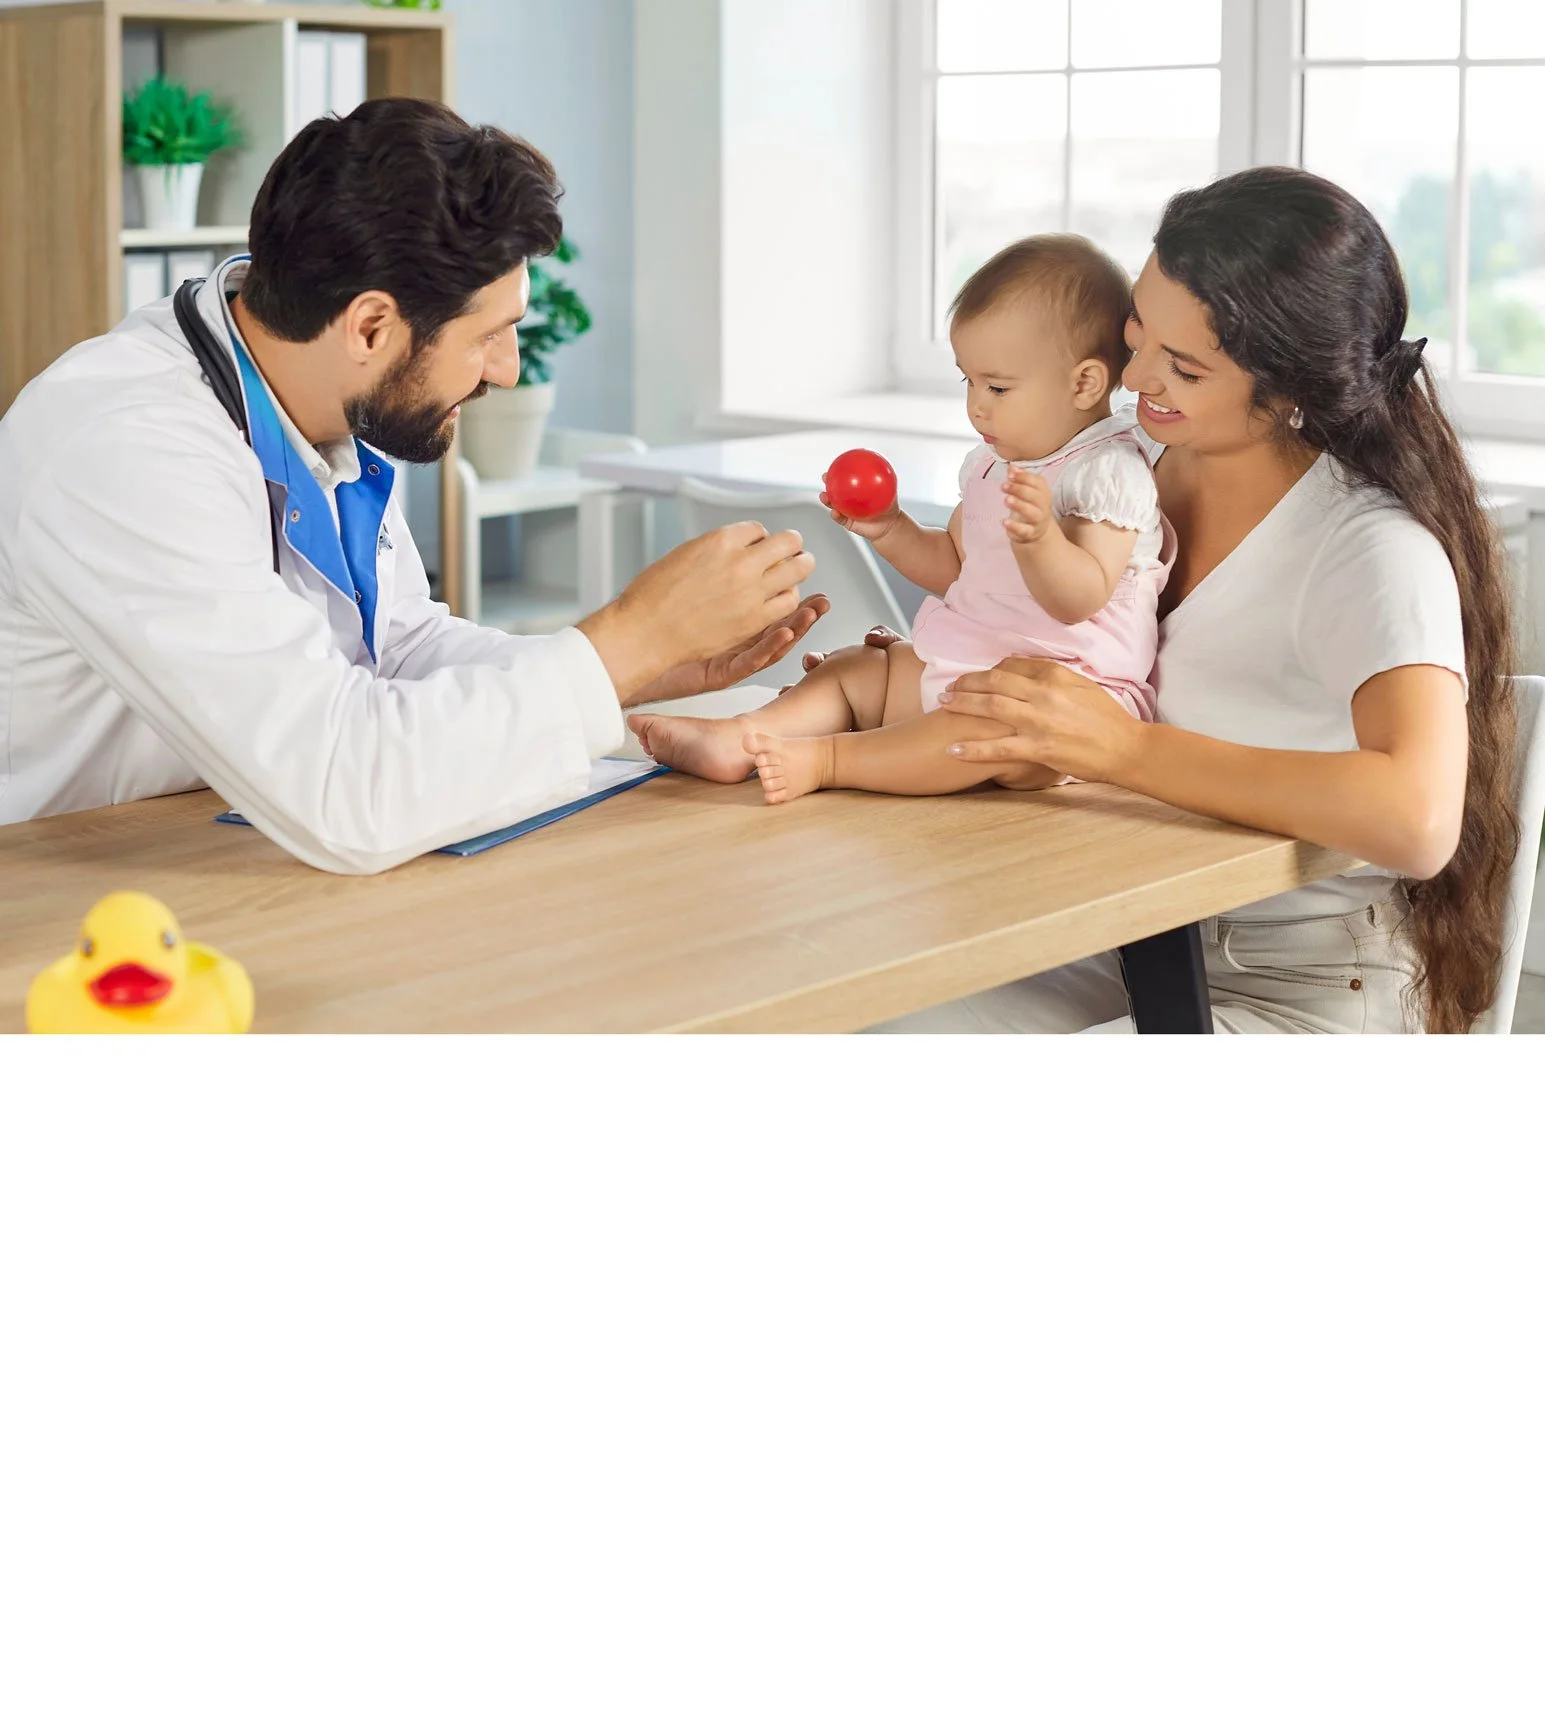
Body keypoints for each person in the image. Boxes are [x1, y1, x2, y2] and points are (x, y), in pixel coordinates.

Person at [0, 99, 822, 874]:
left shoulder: (319, 399)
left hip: (204, 844)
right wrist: (626, 643)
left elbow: (395, 651)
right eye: (488, 336)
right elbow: (345, 792)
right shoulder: (125, 450)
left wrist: (645, 663)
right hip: (58, 883)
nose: (508, 370)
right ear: (370, 326)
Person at [853, 169, 1519, 1035]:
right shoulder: (1128, 467)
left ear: (1289, 389)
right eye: (1137, 329)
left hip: (1300, 985)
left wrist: (1123, 749)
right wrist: (936, 673)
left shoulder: (1367, 550)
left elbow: (1416, 820)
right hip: (1127, 935)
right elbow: (1054, 631)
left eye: (1184, 366)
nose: (1133, 374)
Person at [629, 236, 1172, 805]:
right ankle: (742, 736)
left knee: (988, 731)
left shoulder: (1107, 471)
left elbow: (1080, 598)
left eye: (997, 387)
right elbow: (957, 569)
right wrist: (892, 529)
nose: (976, 405)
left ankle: (828, 758)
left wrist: (1040, 541)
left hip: (1065, 701)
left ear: (1084, 383)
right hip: (974, 662)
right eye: (968, 381)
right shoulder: (993, 464)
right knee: (859, 671)